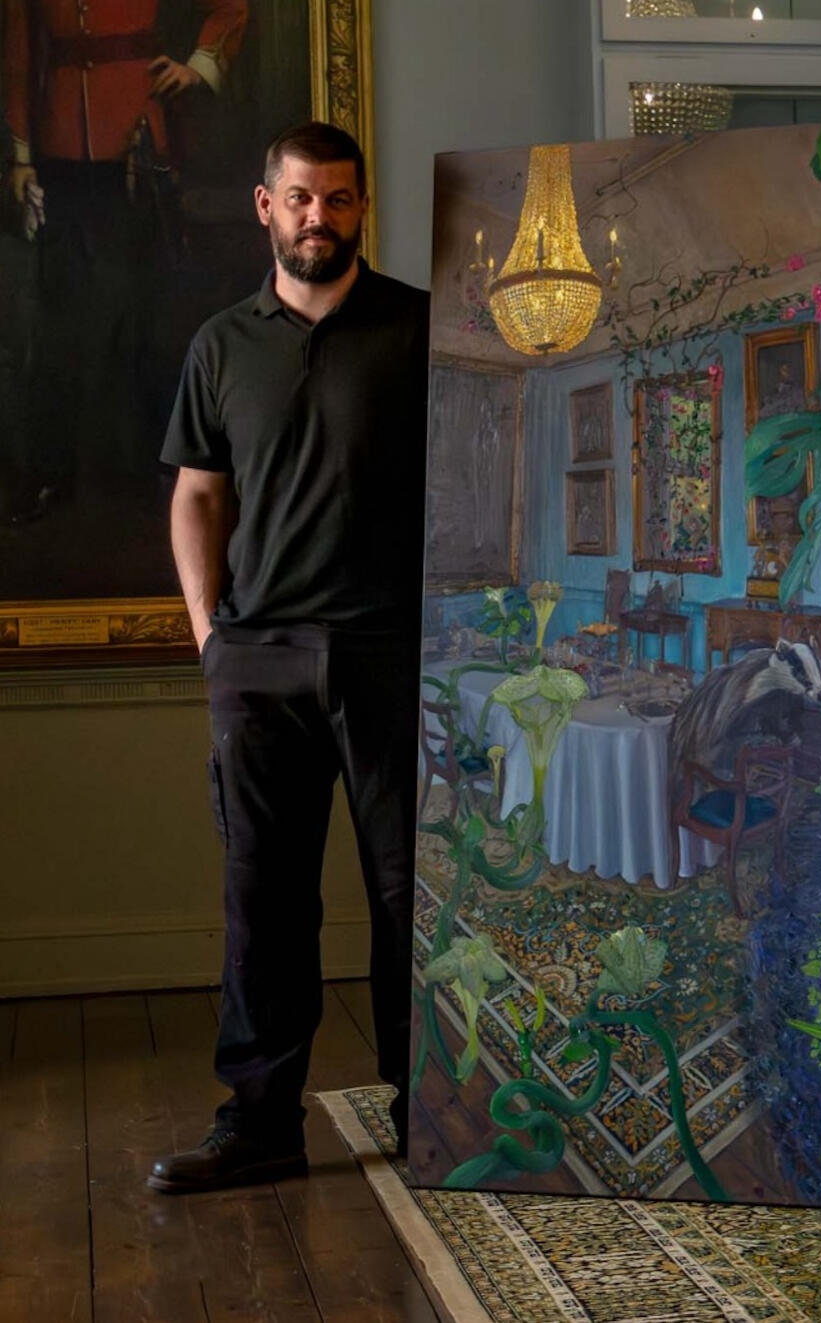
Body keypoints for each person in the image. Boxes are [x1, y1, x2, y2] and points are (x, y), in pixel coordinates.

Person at [151, 120, 428, 1193]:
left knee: (410, 893)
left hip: (391, 652)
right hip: (257, 659)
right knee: (264, 898)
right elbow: (197, 496)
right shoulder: (222, 344)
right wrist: (208, 634)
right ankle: (259, 1125)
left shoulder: (418, 326)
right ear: (267, 207)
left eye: (342, 198)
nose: (322, 216)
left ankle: (431, 1112)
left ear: (364, 208)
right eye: (302, 198)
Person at [2, 0, 249, 520]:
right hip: (59, 149)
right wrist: (21, 159)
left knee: (143, 313)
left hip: (137, 140)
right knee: (59, 315)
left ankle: (159, 474)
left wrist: (199, 65)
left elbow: (230, 6)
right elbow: (19, 59)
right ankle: (56, 474)